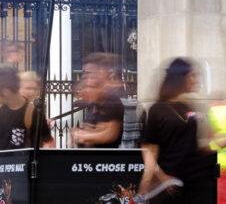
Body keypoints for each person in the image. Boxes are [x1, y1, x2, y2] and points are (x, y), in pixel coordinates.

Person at [137, 58, 215, 203]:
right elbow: (149, 149)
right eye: (192, 75)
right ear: (182, 78)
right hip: (171, 185)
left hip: (192, 182)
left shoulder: (188, 107)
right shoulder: (158, 109)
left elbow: (196, 145)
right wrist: (161, 178)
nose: (195, 80)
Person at [72, 62, 123, 148]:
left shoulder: (112, 101)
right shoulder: (93, 104)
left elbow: (110, 135)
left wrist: (81, 136)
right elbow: (92, 129)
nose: (83, 93)